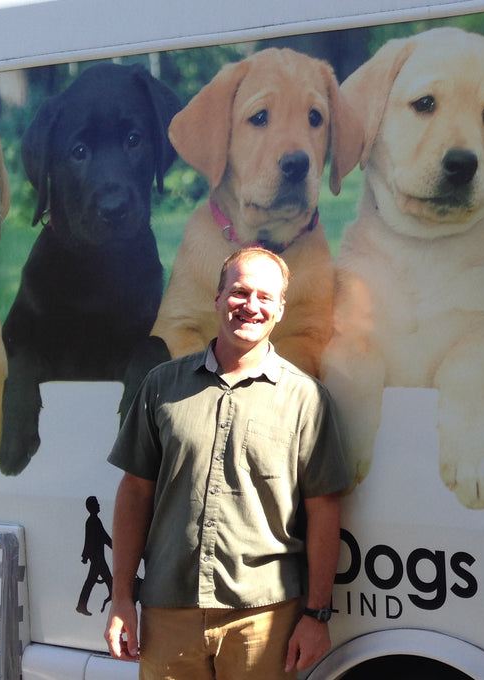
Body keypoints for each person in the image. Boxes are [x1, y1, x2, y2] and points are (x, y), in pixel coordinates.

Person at [105, 246, 349, 679]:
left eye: (264, 297)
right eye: (239, 292)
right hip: (169, 612)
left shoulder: (306, 399)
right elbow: (135, 492)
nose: (251, 307)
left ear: (280, 310)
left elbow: (324, 511)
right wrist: (122, 597)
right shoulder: (162, 385)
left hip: (265, 619)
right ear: (217, 298)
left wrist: (316, 615)